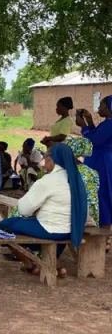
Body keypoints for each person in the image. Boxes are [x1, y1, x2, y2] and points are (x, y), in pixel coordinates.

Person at [0, 143, 87, 277]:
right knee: (32, 227)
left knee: (4, 226)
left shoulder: (48, 180)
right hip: (71, 230)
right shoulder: (75, 179)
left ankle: (31, 265)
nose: (44, 162)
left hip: (50, 229)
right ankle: (56, 264)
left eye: (45, 158)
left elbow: (24, 210)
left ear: (51, 159)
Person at [77, 95, 112, 242]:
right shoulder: (106, 123)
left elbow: (93, 141)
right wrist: (90, 123)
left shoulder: (110, 124)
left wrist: (83, 127)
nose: (99, 108)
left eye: (101, 106)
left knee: (101, 194)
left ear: (109, 109)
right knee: (98, 194)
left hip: (102, 164)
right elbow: (97, 135)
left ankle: (103, 236)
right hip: (99, 161)